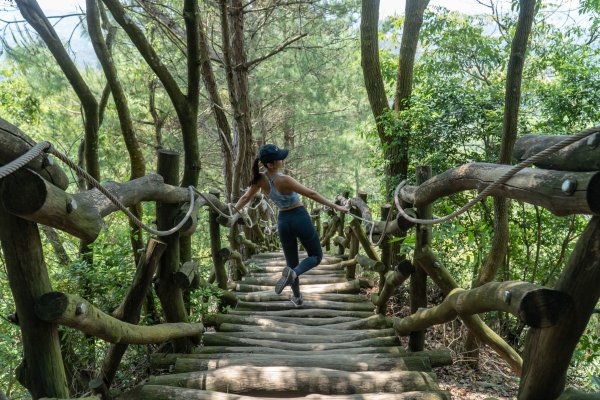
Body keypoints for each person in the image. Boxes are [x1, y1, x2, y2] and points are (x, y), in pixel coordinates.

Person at [234, 144, 349, 306]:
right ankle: (294, 274)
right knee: (316, 256)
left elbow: (245, 198)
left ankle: (296, 297)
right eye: (279, 158)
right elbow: (311, 193)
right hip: (299, 217)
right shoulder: (284, 180)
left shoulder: (260, 179)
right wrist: (337, 206)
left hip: (283, 222)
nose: (282, 159)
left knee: (291, 263)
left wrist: (231, 212)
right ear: (271, 164)